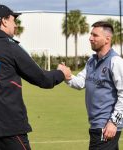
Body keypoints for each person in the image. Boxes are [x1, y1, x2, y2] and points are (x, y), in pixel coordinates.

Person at [0, 4, 71, 150]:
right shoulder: (10, 47)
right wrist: (61, 73)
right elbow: (42, 78)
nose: (15, 25)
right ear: (4, 21)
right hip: (8, 128)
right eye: (13, 20)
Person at [58, 21, 123, 150]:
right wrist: (66, 75)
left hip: (106, 127)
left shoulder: (116, 62)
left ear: (107, 39)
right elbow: (80, 83)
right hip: (95, 126)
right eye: (91, 34)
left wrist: (114, 122)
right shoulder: (91, 61)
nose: (90, 38)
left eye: (95, 35)